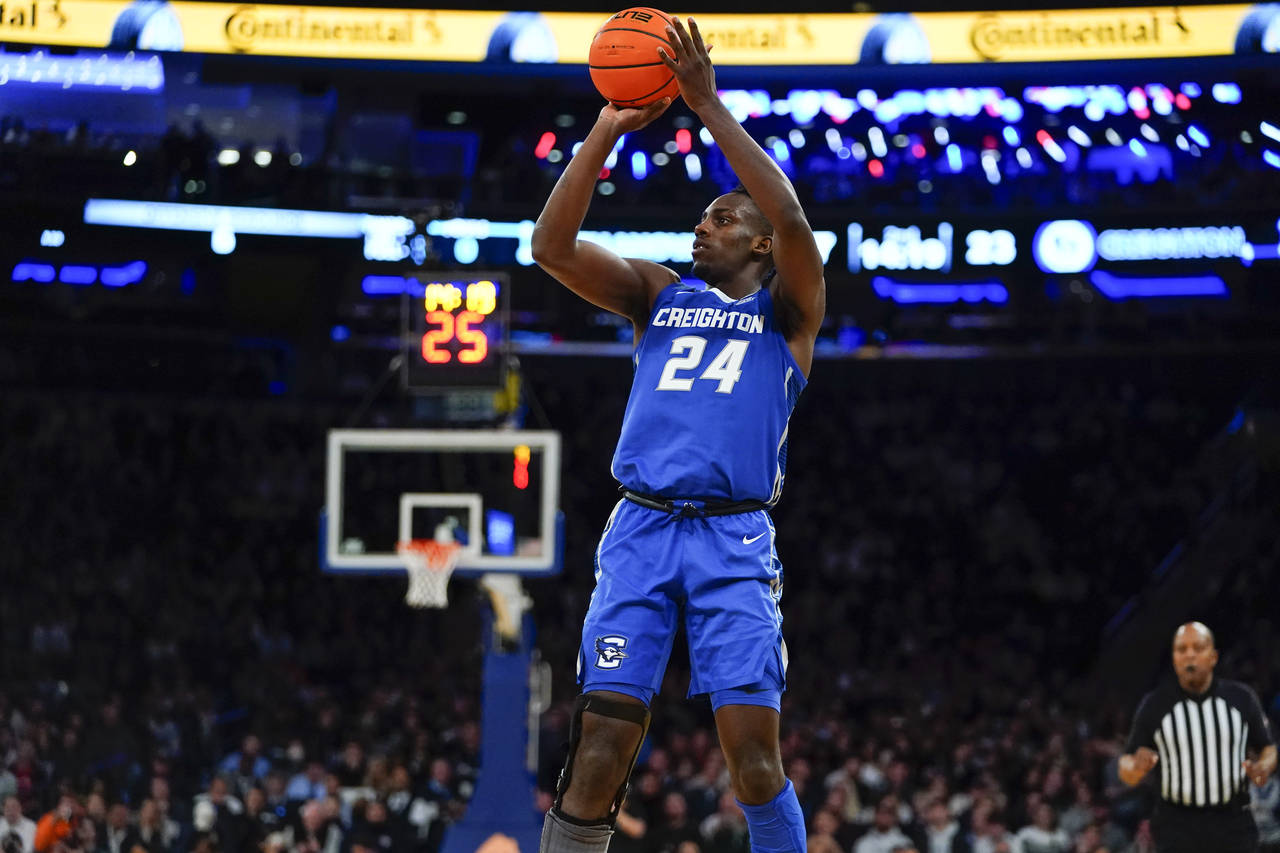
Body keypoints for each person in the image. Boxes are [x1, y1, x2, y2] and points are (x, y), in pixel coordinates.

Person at [531, 15, 825, 853]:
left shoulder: (789, 311)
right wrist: (606, 125)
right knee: (599, 748)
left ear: (762, 243)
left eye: (725, 218)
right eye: (703, 216)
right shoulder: (656, 293)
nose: (704, 225)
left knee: (754, 761)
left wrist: (708, 106)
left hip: (733, 537)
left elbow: (796, 218)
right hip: (643, 528)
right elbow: (549, 245)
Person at [1118, 622, 1277, 852]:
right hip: (1177, 829)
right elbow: (1127, 763)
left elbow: (1268, 749)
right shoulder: (1155, 705)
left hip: (1232, 826)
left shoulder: (1241, 698)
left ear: (1213, 657)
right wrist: (1134, 768)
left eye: (1198, 648)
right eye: (1182, 649)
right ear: (1174, 659)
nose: (1190, 655)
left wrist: (1263, 766)